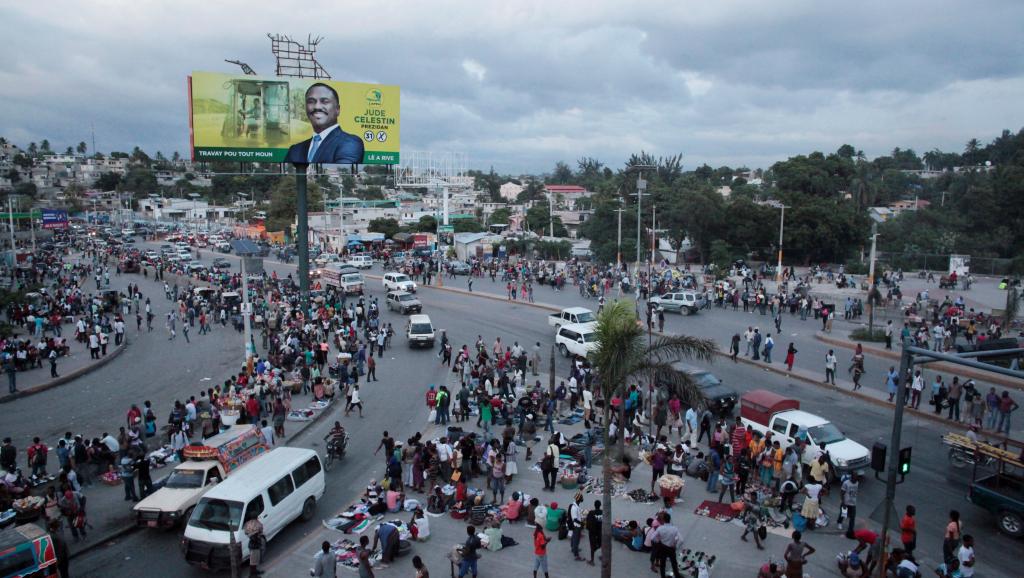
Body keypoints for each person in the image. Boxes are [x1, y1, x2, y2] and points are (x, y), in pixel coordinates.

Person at [284, 83, 364, 164]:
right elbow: (285, 176)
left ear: (337, 109)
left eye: (325, 101)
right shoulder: (295, 150)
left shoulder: (350, 143)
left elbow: (340, 175)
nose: (317, 107)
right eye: (311, 101)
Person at [651, 512, 681, 578]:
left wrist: (658, 540)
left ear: (663, 520)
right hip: (671, 548)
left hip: (663, 547)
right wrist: (675, 544)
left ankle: (663, 576)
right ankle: (677, 575)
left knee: (662, 564)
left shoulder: (660, 528)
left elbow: (652, 538)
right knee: (674, 563)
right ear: (669, 519)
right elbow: (681, 540)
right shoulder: (674, 528)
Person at [586, 499, 603, 565]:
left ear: (594, 505)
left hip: (593, 532)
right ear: (600, 505)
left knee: (592, 546)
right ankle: (602, 556)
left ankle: (592, 561)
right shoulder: (603, 512)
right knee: (601, 543)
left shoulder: (591, 513)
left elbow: (588, 523)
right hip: (600, 531)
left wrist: (589, 529)